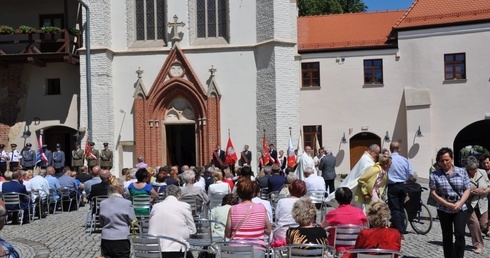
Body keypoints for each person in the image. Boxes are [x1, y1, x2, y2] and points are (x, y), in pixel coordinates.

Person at [429, 147, 471, 258]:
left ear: (452, 159)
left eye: (447, 160)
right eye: (442, 160)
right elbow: (433, 193)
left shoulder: (462, 172)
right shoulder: (434, 175)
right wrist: (447, 204)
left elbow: (467, 189)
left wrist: (460, 203)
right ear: (438, 161)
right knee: (447, 236)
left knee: (460, 234)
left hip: (460, 208)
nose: (445, 163)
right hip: (444, 208)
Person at [225, 178, 271, 258]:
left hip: (237, 248)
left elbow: (228, 234)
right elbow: (268, 230)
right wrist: (256, 230)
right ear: (253, 192)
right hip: (257, 248)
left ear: (238, 193)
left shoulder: (233, 209)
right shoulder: (261, 207)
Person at [148, 185, 196, 258]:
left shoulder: (156, 207)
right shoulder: (184, 206)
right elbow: (192, 230)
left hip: (154, 249)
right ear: (179, 196)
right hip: (176, 249)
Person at [321, 187, 367, 253]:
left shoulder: (333, 214)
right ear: (351, 199)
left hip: (337, 249)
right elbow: (365, 227)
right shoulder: (360, 213)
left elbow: (322, 227)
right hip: (355, 248)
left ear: (336, 200)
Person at [99, 178, 136, 258]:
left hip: (106, 237)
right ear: (119, 188)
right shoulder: (127, 203)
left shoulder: (103, 203)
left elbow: (101, 222)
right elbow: (133, 221)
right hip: (121, 237)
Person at [387, 141, 415, 234]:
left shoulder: (388, 159)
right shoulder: (404, 160)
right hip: (403, 185)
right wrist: (405, 178)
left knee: (394, 208)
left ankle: (399, 229)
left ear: (390, 149)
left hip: (393, 185)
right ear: (399, 149)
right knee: (401, 207)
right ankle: (402, 227)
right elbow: (411, 173)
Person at [465, 156, 489, 254]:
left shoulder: (482, 173)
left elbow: (489, 187)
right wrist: (470, 192)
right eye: (471, 169)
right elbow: (461, 190)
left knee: (483, 224)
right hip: (469, 204)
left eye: (475, 169)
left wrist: (483, 191)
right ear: (467, 168)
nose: (473, 171)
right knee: (474, 223)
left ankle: (478, 232)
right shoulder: (464, 175)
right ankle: (478, 245)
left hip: (482, 202)